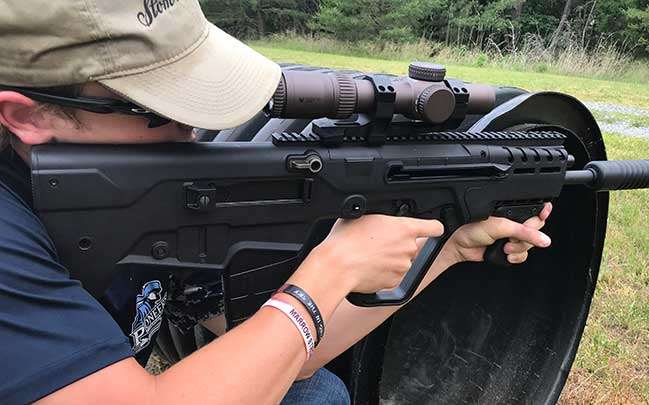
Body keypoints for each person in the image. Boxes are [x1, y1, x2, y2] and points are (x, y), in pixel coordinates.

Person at [0, 1, 553, 404]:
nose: (195, 131)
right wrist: (330, 270)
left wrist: (447, 249)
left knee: (312, 394)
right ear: (27, 116)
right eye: (160, 109)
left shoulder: (122, 197)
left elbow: (291, 352)